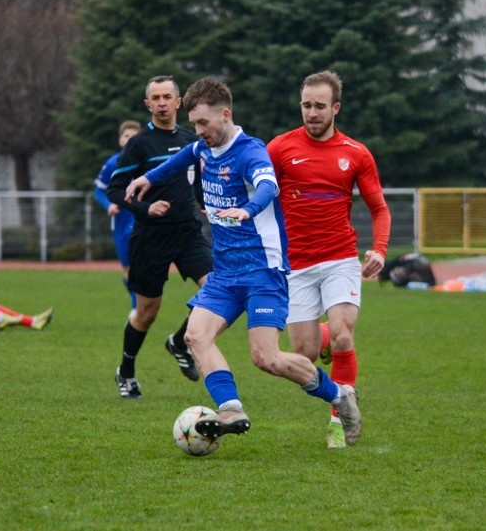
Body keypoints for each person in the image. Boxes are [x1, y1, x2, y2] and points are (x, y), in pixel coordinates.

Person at [125, 77, 361, 441]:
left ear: (226, 114)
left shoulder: (251, 151)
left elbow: (269, 186)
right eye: (194, 124)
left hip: (263, 271)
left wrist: (248, 210)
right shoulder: (203, 146)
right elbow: (183, 158)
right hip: (225, 272)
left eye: (204, 123)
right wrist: (147, 178)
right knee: (195, 336)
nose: (198, 131)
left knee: (266, 358)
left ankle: (339, 396)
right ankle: (231, 409)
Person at [268, 70, 390, 449]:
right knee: (302, 355)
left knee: (342, 333)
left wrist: (380, 250)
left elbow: (379, 209)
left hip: (340, 259)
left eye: (320, 106)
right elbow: (259, 196)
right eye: (306, 105)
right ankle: (320, 338)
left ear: (335, 108)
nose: (312, 112)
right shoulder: (280, 149)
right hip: (297, 267)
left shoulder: (356, 153)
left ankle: (340, 420)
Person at [106, 75, 212, 398]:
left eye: (168, 96)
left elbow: (194, 181)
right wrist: (145, 208)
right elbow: (115, 189)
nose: (162, 103)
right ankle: (126, 371)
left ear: (179, 102)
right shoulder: (139, 144)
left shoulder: (191, 139)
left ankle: (179, 341)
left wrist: (205, 204)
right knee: (147, 312)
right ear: (147, 104)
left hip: (188, 231)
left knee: (217, 289)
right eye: (156, 98)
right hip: (150, 237)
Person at [94, 120, 142, 318]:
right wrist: (109, 205)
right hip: (121, 220)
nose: (130, 140)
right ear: (120, 140)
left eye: (134, 136)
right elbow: (98, 190)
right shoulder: (113, 163)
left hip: (141, 217)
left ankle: (136, 309)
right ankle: (137, 306)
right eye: (127, 136)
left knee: (139, 266)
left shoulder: (145, 163)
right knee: (128, 269)